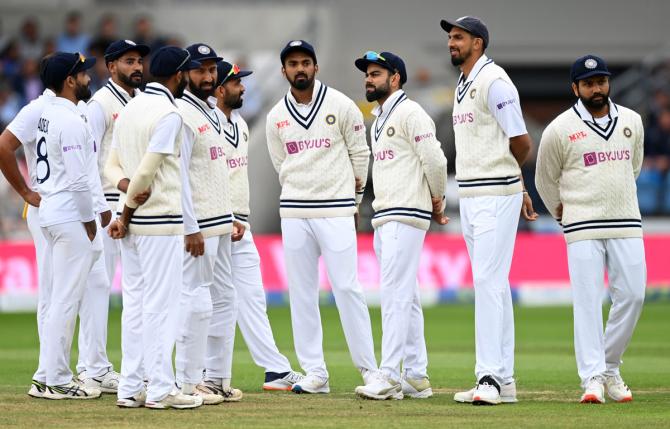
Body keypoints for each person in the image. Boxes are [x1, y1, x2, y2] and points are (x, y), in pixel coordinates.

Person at [266, 40, 380, 394]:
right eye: (293, 64)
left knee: (347, 287)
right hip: (295, 212)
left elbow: (361, 156)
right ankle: (315, 372)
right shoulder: (275, 116)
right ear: (283, 70)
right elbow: (281, 164)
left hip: (335, 209)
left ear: (316, 67)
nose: (300, 68)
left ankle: (370, 371)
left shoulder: (342, 106)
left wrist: (353, 200)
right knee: (301, 293)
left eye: (305, 62)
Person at [535, 55, 646, 404]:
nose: (596, 89)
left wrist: (617, 197)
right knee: (586, 302)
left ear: (608, 82)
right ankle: (593, 377)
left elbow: (635, 167)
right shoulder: (559, 128)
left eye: (601, 81)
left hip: (625, 219)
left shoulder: (632, 121)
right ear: (575, 87)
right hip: (581, 223)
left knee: (633, 295)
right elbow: (544, 178)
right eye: (588, 83)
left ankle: (609, 366)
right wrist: (562, 210)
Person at [441, 16, 537, 405]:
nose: (452, 43)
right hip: (474, 195)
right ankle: (506, 378)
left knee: (487, 282)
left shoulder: (494, 81)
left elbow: (522, 141)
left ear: (478, 43)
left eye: (459, 37)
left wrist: (511, 182)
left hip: (495, 194)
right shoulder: (464, 83)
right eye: (450, 37)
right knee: (492, 284)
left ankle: (489, 379)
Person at [105, 46, 203, 410]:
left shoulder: (131, 107)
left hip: (131, 224)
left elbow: (111, 166)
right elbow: (146, 172)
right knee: (161, 307)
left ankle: (130, 388)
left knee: (136, 306)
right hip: (158, 222)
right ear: (179, 75)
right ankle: (161, 389)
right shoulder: (170, 113)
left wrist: (122, 208)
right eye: (188, 73)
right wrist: (127, 211)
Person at [352, 50, 448, 400]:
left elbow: (435, 160)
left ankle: (389, 374)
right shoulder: (378, 121)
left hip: (406, 213)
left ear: (395, 78)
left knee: (394, 294)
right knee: (405, 297)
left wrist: (437, 199)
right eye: (367, 74)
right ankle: (417, 376)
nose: (369, 79)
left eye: (376, 74)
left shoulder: (410, 112)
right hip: (385, 215)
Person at [211, 60, 304, 391]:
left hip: (240, 225)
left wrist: (237, 217)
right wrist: (225, 215)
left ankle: (274, 370)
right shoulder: (205, 126)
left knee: (251, 297)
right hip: (214, 224)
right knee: (205, 301)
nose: (243, 88)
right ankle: (185, 373)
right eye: (236, 83)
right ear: (220, 89)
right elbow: (205, 179)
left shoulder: (241, 124)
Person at [174, 43, 243, 404]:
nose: (207, 76)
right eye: (199, 69)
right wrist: (190, 226)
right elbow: (180, 176)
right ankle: (187, 379)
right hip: (198, 224)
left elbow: (217, 172)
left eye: (211, 69)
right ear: (185, 73)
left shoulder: (212, 111)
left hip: (220, 223)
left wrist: (229, 217)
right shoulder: (182, 113)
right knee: (195, 301)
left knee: (225, 300)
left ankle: (216, 377)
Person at [35, 52, 104, 399]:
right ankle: (59, 381)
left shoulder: (49, 114)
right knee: (66, 300)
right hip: (68, 214)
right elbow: (79, 182)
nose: (88, 78)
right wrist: (90, 221)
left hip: (52, 210)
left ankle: (46, 375)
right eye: (82, 73)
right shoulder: (72, 121)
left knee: (58, 298)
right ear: (68, 81)